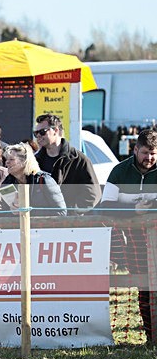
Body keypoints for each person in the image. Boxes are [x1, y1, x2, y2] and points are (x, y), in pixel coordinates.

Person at [98, 127, 157, 345]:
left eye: (153, 153)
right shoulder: (119, 171)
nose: (149, 158)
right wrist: (134, 210)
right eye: (145, 153)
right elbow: (106, 206)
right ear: (135, 150)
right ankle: (151, 336)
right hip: (134, 241)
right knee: (144, 289)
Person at [33, 114, 100, 211]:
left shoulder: (79, 160)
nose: (38, 136)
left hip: (69, 218)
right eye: (36, 133)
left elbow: (92, 194)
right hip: (41, 217)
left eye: (42, 132)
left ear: (56, 130)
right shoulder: (34, 162)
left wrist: (72, 212)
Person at [0, 143, 67, 216]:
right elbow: (3, 214)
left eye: (11, 159)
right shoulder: (6, 184)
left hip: (44, 224)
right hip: (18, 224)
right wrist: (12, 212)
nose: (7, 162)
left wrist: (28, 211)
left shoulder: (43, 180)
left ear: (25, 161)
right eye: (6, 159)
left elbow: (61, 212)